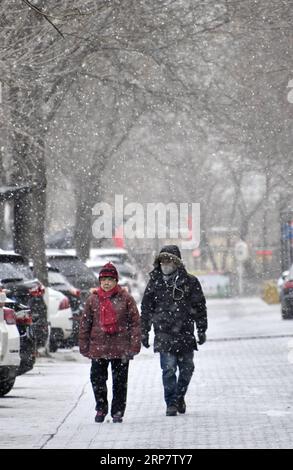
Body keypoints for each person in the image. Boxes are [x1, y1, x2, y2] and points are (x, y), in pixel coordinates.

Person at [141, 245, 207, 416]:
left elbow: (199, 306)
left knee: (187, 368)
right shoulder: (154, 283)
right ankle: (171, 402)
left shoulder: (190, 282)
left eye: (169, 260)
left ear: (176, 262)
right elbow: (146, 308)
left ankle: (179, 396)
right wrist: (144, 331)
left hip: (185, 333)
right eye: (162, 260)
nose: (166, 264)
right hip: (163, 333)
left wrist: (201, 329)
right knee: (168, 369)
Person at [79, 262, 141, 423]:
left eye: (110, 279)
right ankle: (101, 408)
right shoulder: (92, 299)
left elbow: (135, 323)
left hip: (121, 348)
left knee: (120, 382)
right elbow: (85, 323)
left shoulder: (126, 298)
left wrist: (134, 344)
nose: (106, 283)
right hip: (98, 348)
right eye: (103, 279)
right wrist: (84, 345)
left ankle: (118, 411)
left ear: (116, 281)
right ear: (99, 281)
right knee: (97, 379)